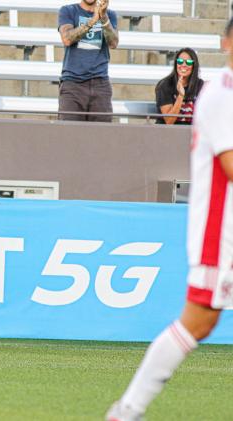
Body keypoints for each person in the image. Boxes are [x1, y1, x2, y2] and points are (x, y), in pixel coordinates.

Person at [106, 18, 233, 421]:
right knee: (199, 321)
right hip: (221, 230)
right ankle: (127, 410)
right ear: (226, 42)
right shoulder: (222, 94)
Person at [58, 0, 119, 122]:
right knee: (68, 136)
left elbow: (113, 43)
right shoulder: (68, 10)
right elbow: (67, 39)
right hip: (73, 83)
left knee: (101, 136)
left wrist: (103, 17)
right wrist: (92, 20)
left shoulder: (110, 14)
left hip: (100, 83)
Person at [155, 48, 204, 125]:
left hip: (190, 133)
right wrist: (180, 96)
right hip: (168, 133)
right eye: (180, 61)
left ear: (194, 66)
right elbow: (169, 121)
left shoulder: (200, 85)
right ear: (176, 64)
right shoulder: (165, 85)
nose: (183, 65)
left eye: (189, 62)